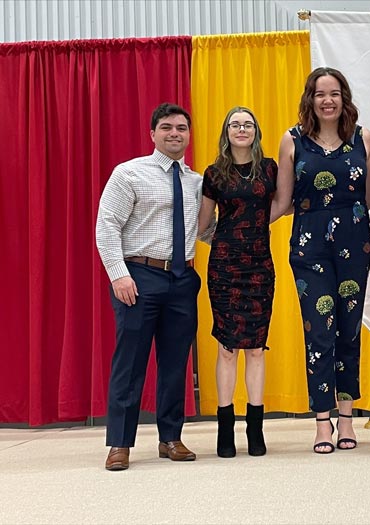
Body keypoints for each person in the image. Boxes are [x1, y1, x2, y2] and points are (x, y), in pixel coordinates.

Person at [271, 67, 370, 454]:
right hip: (309, 246)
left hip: (355, 240)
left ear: (344, 97)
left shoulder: (362, 137)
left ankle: (347, 418)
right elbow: (282, 201)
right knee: (318, 333)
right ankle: (321, 421)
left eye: (334, 93)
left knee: (348, 330)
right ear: (309, 99)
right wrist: (238, 228)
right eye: (319, 94)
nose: (327, 100)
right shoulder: (292, 140)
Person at [96, 103, 203, 471]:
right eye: (167, 127)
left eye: (182, 128)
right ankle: (120, 444)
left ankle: (170, 438)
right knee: (130, 361)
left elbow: (204, 230)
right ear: (153, 134)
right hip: (139, 277)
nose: (175, 133)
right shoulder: (129, 174)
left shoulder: (197, 182)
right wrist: (117, 273)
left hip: (183, 279)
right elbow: (107, 225)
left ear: (189, 135)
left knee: (175, 363)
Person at [198, 106, 278, 458]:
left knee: (257, 348)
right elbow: (202, 226)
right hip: (225, 268)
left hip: (260, 266)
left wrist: (256, 227)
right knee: (227, 348)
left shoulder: (270, 168)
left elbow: (283, 205)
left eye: (247, 124)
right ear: (226, 131)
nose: (241, 129)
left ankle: (256, 430)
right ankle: (225, 431)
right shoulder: (214, 173)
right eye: (235, 124)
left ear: (256, 131)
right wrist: (229, 236)